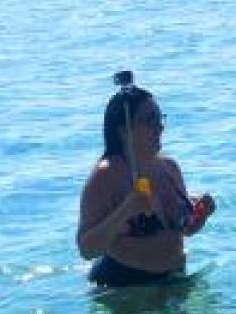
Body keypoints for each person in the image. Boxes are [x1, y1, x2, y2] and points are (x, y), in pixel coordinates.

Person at [77, 75, 216, 287]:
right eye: (150, 121)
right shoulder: (105, 177)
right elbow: (87, 249)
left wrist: (200, 215)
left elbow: (183, 230)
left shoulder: (169, 168)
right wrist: (127, 209)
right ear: (123, 130)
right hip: (124, 288)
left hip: (175, 281)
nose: (159, 128)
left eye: (160, 119)